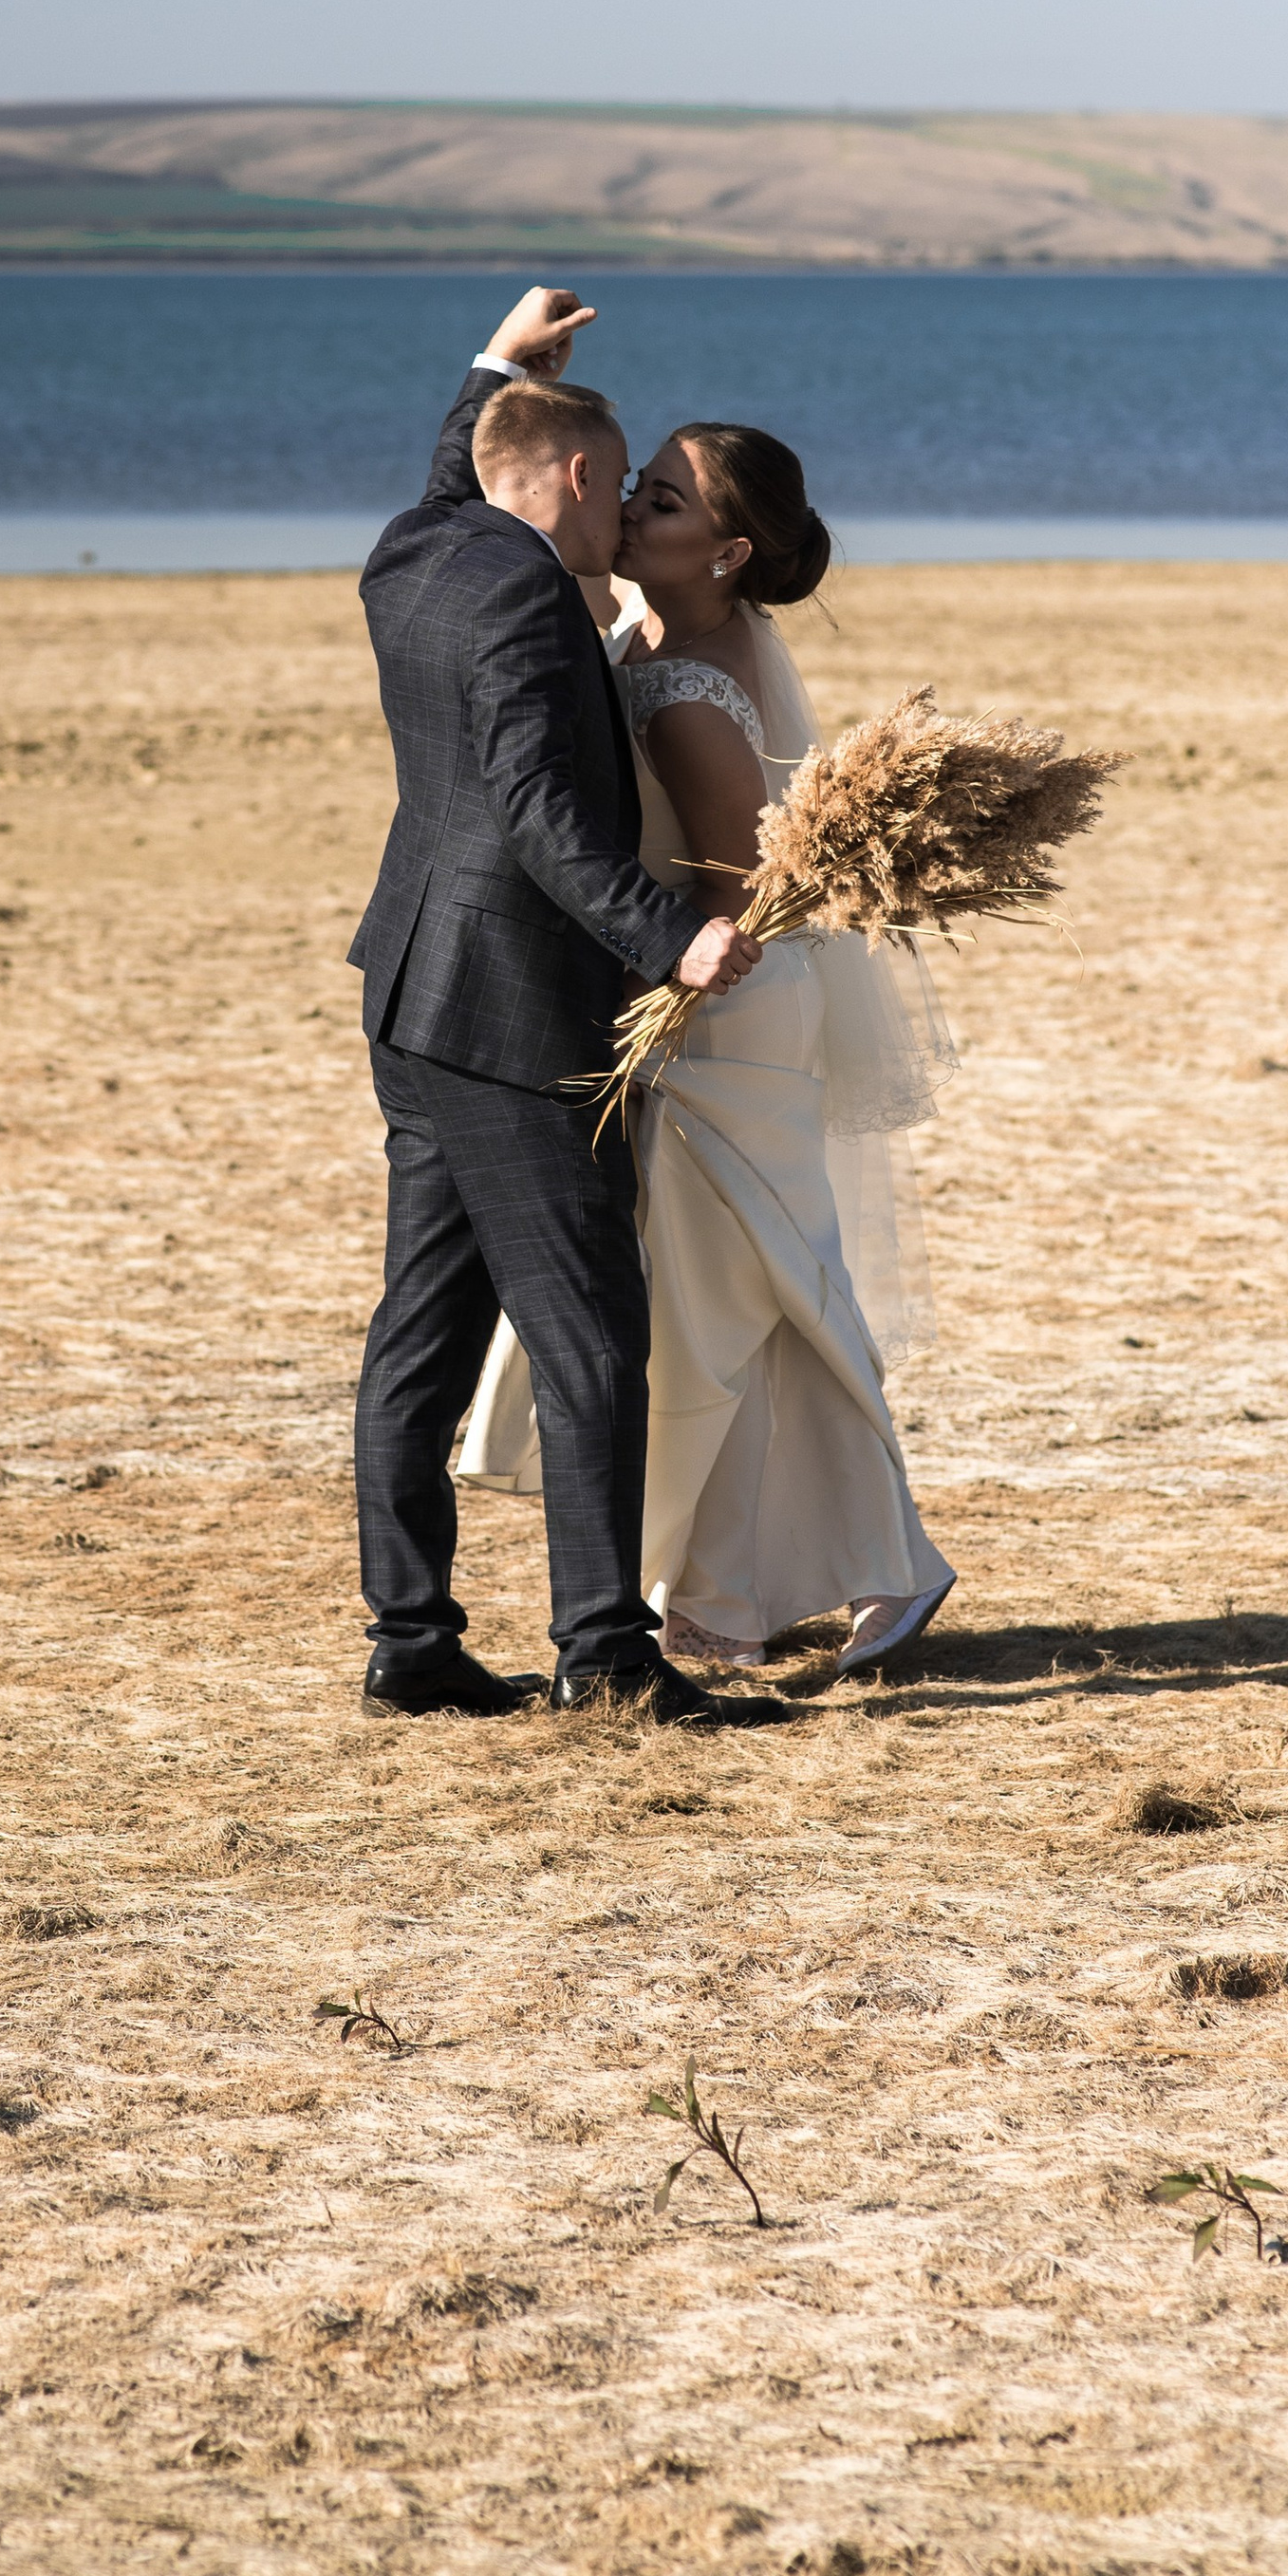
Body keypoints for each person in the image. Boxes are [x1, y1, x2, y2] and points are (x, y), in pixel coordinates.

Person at [460, 407, 960, 1676]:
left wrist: (652, 989)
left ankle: (751, 1597)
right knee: (746, 1297)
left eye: (666, 504)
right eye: (637, 486)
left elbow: (742, 882)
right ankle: (814, 1574)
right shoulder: (661, 635)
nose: (632, 510)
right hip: (708, 1001)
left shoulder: (686, 687)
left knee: (729, 1306)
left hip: (720, 1011)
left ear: (728, 554)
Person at [348, 286, 760, 1727]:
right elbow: (533, 808)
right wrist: (673, 938)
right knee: (591, 1335)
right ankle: (608, 1659)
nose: (618, 526)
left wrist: (495, 367)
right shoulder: (525, 591)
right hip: (513, 1013)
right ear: (581, 479)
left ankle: (411, 1645)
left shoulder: (420, 550)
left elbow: (456, 467)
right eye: (618, 480)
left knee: (424, 1329)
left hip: (413, 994)